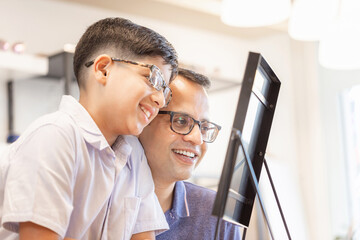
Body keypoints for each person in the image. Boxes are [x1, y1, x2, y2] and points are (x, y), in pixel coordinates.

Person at [0, 17, 178, 240]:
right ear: (103, 69)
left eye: (165, 91)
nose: (161, 100)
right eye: (152, 78)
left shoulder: (133, 154)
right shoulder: (55, 135)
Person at [139, 68, 242, 239]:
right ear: (144, 117)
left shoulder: (216, 215)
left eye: (203, 127)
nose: (197, 139)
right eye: (180, 121)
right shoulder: (102, 203)